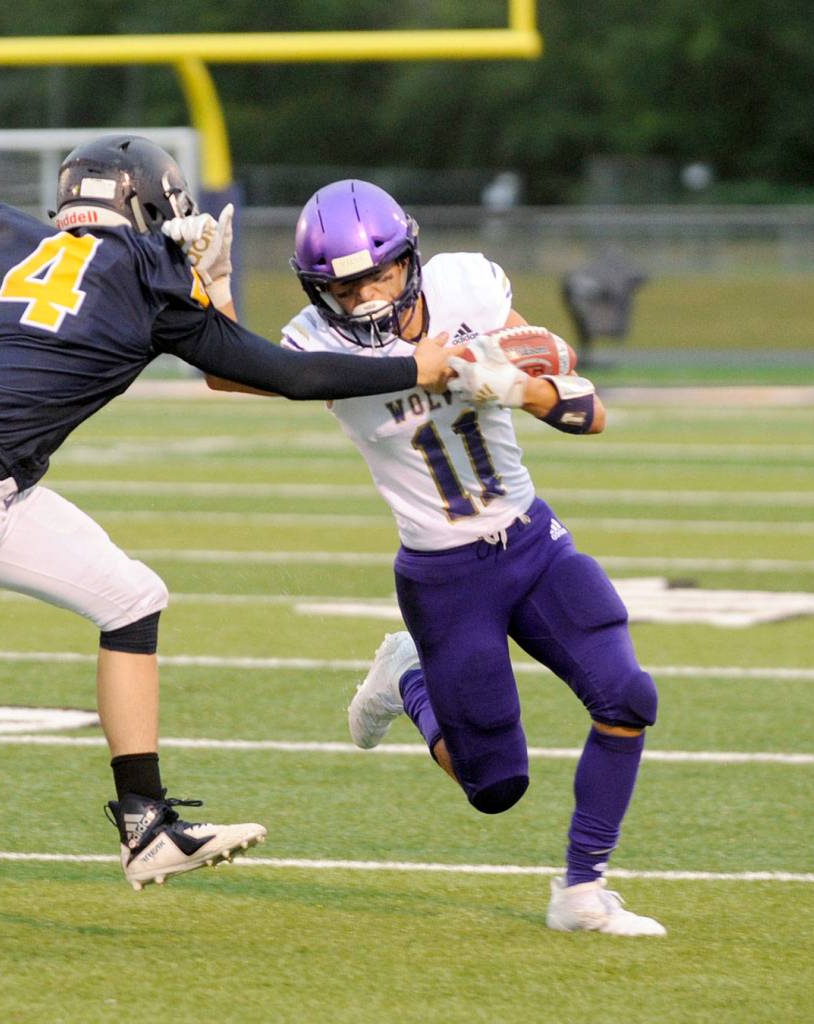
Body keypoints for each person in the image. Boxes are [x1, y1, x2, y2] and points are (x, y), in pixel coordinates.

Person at [0, 140, 458, 892]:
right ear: (150, 205)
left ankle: (146, 829)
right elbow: (285, 374)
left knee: (131, 598)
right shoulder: (150, 279)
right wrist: (413, 366)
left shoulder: (17, 244)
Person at [276, 179, 665, 935]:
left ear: (409, 260)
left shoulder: (466, 286)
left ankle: (581, 891)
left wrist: (515, 386)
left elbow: (583, 402)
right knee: (492, 786)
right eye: (341, 287)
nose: (361, 300)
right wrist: (209, 286)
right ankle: (406, 676)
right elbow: (230, 370)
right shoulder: (314, 346)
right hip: (444, 574)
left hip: (529, 542)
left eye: (376, 276)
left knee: (627, 698)